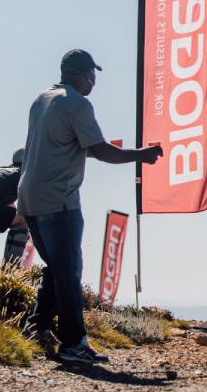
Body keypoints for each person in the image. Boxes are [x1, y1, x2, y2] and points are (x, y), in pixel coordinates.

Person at [18, 49, 163, 365]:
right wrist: (141, 155)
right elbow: (100, 150)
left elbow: (73, 145)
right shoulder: (77, 103)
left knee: (56, 267)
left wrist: (115, 150)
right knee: (69, 272)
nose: (93, 81)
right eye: (92, 75)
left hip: (29, 197)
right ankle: (73, 343)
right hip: (59, 200)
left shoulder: (42, 99)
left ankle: (37, 327)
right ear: (84, 75)